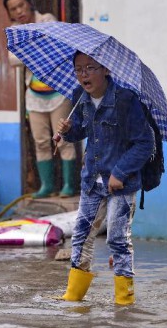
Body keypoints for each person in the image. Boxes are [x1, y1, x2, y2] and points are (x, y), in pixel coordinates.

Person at [56, 52, 154, 305]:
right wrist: (68, 132)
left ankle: (124, 299)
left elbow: (145, 143)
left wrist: (120, 173)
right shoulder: (80, 98)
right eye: (78, 69)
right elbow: (82, 131)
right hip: (92, 181)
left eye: (90, 68)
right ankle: (74, 296)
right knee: (81, 235)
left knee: (117, 239)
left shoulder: (126, 100)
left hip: (122, 185)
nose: (84, 75)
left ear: (106, 70)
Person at [4, 0, 77, 198]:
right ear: (9, 13)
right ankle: (47, 186)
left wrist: (28, 50)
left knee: (62, 138)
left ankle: (69, 186)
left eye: (21, 5)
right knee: (41, 141)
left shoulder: (46, 19)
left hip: (58, 93)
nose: (19, 11)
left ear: (29, 4)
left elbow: (54, 47)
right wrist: (37, 48)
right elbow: (12, 60)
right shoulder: (15, 30)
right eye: (13, 9)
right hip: (35, 95)